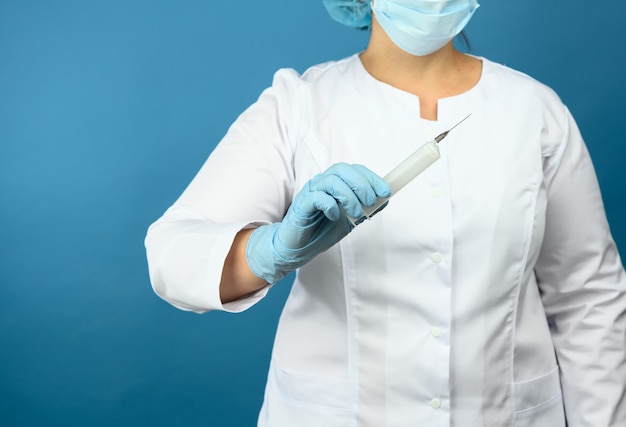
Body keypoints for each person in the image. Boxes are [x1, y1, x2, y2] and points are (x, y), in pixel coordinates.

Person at [144, 1, 626, 425]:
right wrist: (271, 251)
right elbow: (172, 253)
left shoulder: (535, 111)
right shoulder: (298, 107)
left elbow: (589, 300)